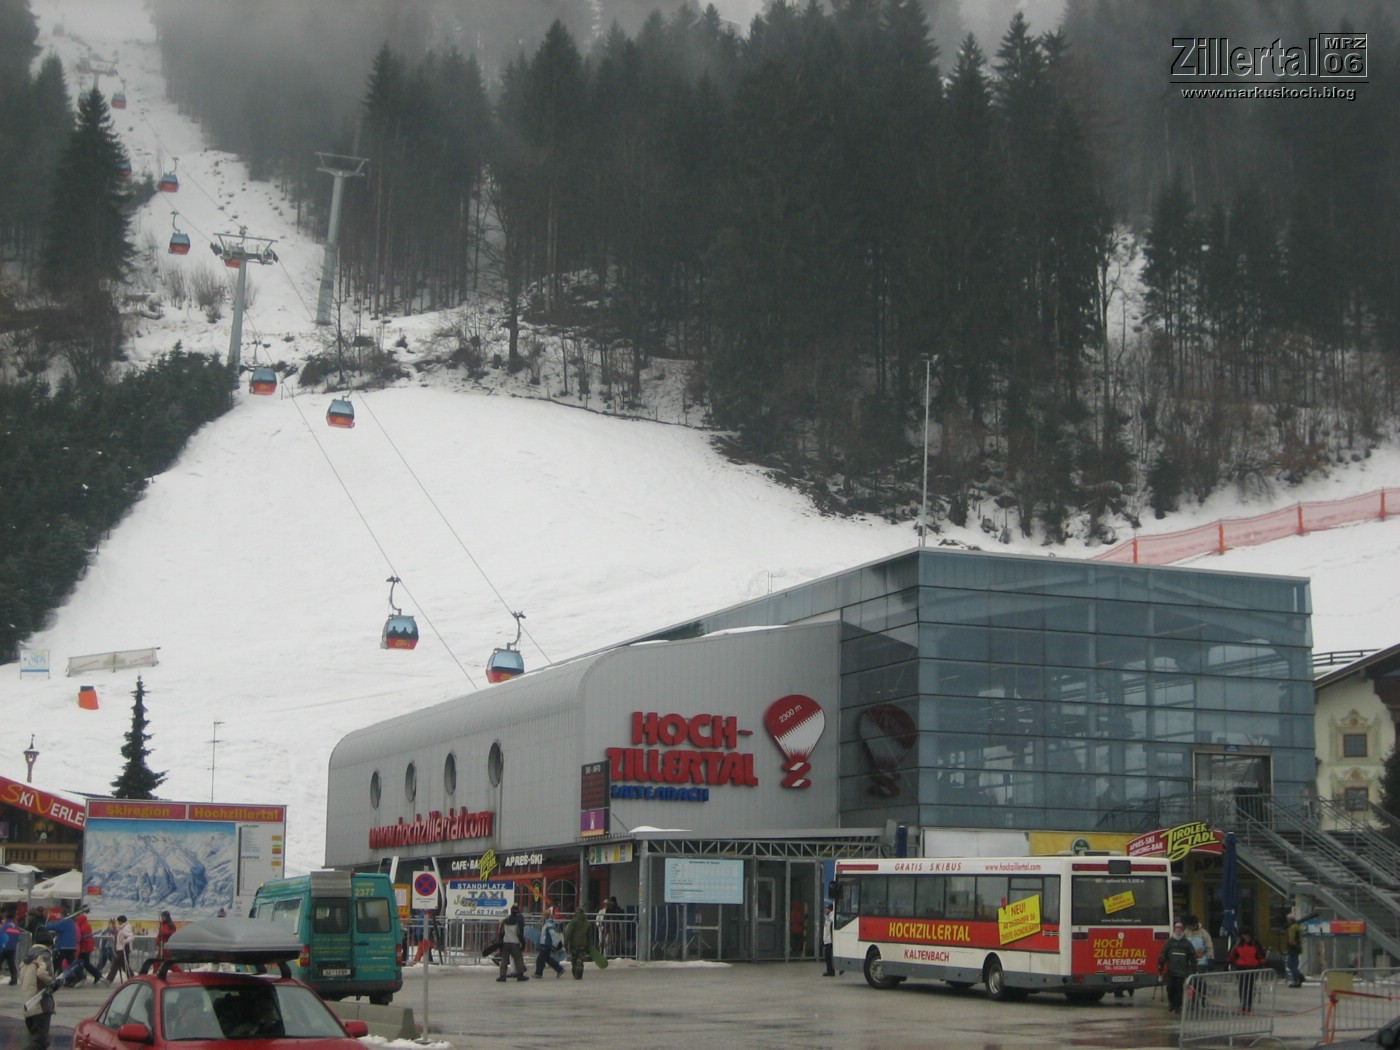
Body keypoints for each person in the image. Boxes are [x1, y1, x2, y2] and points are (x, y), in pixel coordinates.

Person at [19, 928, 59, 1050]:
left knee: (40, 1041)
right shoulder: (44, 954)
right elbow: (42, 973)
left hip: (28, 1003)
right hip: (40, 1003)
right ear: (50, 944)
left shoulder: (28, 956)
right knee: (39, 1042)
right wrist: (53, 981)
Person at [1227, 930, 1268, 1014]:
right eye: (1244, 935)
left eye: (1247, 935)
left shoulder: (1255, 943)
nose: (1246, 937)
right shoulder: (1237, 943)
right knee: (1243, 986)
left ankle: (1248, 1004)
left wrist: (1261, 963)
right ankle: (1243, 1003)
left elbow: (1261, 955)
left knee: (1250, 986)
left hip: (1253, 968)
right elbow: (1231, 954)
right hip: (1241, 968)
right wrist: (1231, 962)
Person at [1158, 921, 1195, 1013]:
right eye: (1176, 930)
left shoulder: (1187, 943)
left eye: (1179, 930)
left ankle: (1177, 1006)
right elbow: (1163, 954)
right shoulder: (1169, 942)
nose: (1178, 931)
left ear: (1182, 931)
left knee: (1178, 989)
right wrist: (1161, 965)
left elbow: (1192, 956)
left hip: (1181, 971)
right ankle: (1171, 1002)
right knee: (1170, 988)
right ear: (1174, 930)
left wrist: (1194, 969)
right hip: (1171, 970)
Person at [66, 906, 104, 985]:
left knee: (82, 963)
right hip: (86, 947)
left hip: (85, 948)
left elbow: (84, 938)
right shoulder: (85, 925)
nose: (77, 921)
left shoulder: (84, 926)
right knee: (85, 963)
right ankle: (94, 975)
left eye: (78, 920)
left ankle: (88, 976)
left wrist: (83, 948)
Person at [42, 908, 77, 983]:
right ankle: (78, 977)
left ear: (62, 915)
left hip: (64, 946)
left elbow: (54, 926)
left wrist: (45, 927)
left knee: (56, 963)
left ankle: (49, 978)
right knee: (72, 963)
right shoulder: (71, 923)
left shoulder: (64, 922)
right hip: (71, 946)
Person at [496, 904, 528, 982]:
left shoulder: (505, 921)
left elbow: (501, 932)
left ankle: (502, 976)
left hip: (506, 942)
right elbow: (520, 933)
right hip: (515, 942)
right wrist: (523, 943)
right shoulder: (519, 921)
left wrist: (500, 941)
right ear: (518, 911)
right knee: (518, 959)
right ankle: (520, 976)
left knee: (504, 959)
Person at [563, 908, 592, 981]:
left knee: (574, 958)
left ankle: (575, 972)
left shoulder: (573, 921)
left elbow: (569, 933)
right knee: (580, 959)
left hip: (574, 944)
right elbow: (589, 935)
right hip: (583, 944)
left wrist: (565, 943)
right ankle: (579, 974)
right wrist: (589, 945)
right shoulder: (587, 922)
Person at [534, 910, 565, 978]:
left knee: (540, 959)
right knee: (548, 959)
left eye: (542, 915)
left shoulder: (549, 925)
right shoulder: (547, 924)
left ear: (545, 916)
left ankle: (538, 973)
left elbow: (553, 935)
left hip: (546, 944)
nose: (541, 917)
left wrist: (555, 944)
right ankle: (560, 969)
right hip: (545, 944)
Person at [106, 916, 133, 984]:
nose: (118, 923)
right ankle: (132, 978)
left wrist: (124, 941)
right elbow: (117, 934)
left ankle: (109, 980)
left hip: (123, 948)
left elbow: (131, 937)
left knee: (116, 963)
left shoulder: (126, 928)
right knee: (124, 965)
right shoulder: (122, 928)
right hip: (120, 948)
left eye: (118, 921)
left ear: (121, 921)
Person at [1, 911, 22, 985]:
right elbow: (19, 938)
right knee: (11, 964)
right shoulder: (16, 927)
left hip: (4, 947)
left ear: (6, 918)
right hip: (12, 948)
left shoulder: (5, 926)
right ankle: (14, 979)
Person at [1285, 913, 1304, 987]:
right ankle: (1297, 980)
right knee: (1294, 965)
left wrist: (1291, 943)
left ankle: (1299, 978)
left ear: (1290, 920)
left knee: (1291, 965)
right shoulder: (1298, 927)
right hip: (1298, 948)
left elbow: (1291, 939)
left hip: (1293, 949)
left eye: (1288, 919)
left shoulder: (1292, 928)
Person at [821, 902, 835, 976]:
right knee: (828, 957)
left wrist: (830, 940)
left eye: (827, 908)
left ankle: (831, 971)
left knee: (829, 957)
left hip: (829, 941)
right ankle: (829, 971)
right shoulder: (828, 917)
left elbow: (831, 930)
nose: (826, 910)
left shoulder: (831, 918)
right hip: (827, 940)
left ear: (830, 909)